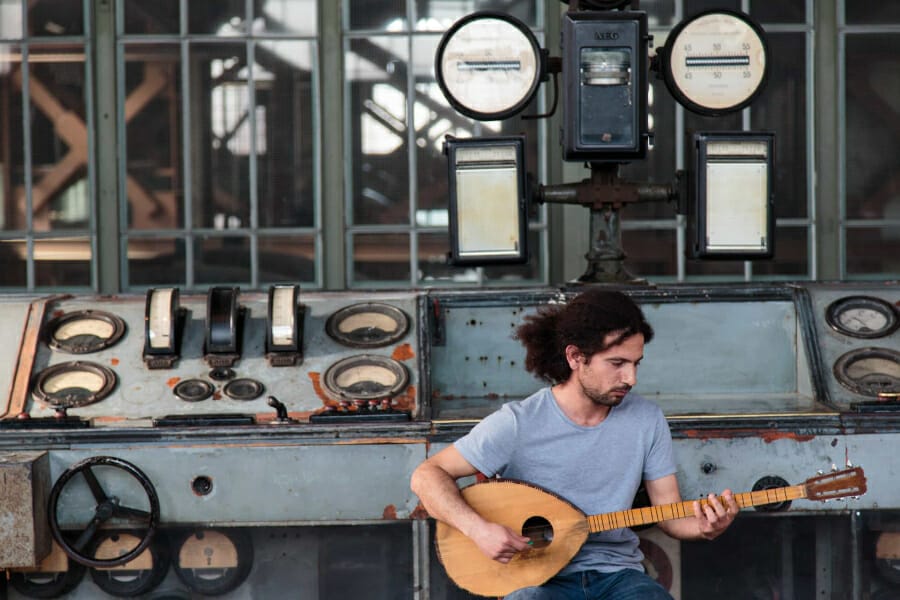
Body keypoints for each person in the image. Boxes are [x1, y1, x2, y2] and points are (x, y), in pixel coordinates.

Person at [410, 288, 739, 599]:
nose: (631, 378)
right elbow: (426, 475)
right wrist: (478, 530)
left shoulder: (647, 419)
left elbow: (670, 516)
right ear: (575, 357)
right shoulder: (518, 422)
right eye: (617, 364)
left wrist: (705, 527)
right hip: (536, 578)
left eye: (636, 363)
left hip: (617, 575)